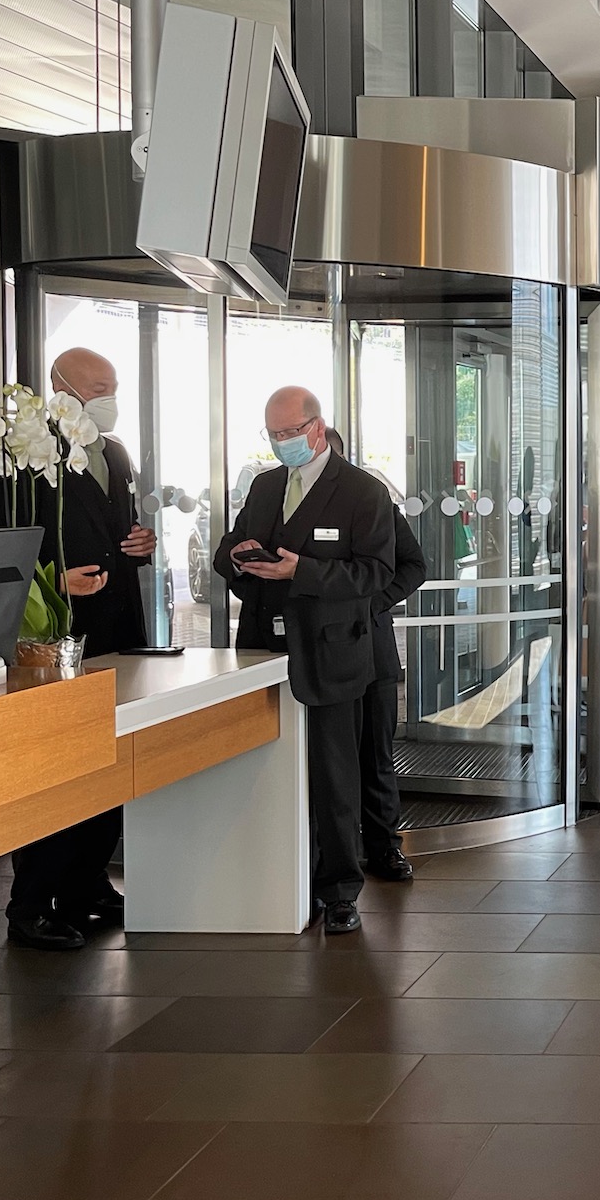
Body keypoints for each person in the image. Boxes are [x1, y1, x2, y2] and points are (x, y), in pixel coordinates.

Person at [214, 387, 396, 935]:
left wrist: (304, 572)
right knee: (266, 769)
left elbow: (376, 574)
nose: (281, 444)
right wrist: (239, 560)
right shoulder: (265, 486)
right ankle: (276, 875)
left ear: (317, 429)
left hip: (333, 653)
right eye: (273, 435)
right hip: (262, 649)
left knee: (334, 776)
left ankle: (340, 889)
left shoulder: (363, 492)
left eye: (290, 433)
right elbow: (228, 547)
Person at [0, 348, 152, 950]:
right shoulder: (23, 453)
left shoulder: (114, 451)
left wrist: (142, 543)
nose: (109, 397)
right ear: (59, 387)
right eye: (98, 386)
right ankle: (31, 901)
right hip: (53, 635)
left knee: (107, 759)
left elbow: (119, 531)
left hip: (115, 626)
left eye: (114, 385)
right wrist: (53, 582)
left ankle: (88, 884)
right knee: (53, 766)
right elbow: (4, 548)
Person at [327, 430, 427, 883]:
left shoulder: (373, 501)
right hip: (316, 656)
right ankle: (325, 855)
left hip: (372, 652)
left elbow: (414, 564)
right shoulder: (282, 507)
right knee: (329, 763)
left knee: (376, 756)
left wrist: (373, 602)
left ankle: (384, 847)